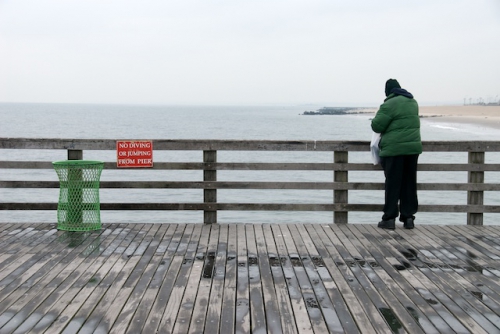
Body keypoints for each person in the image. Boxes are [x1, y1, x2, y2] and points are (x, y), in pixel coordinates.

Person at [371, 79, 422, 230]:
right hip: (412, 150)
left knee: (393, 184)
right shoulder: (413, 102)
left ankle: (389, 218)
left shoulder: (389, 104)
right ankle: (408, 218)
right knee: (409, 183)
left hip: (394, 151)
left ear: (388, 91)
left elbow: (376, 125)